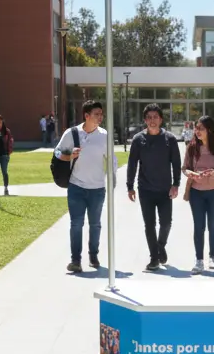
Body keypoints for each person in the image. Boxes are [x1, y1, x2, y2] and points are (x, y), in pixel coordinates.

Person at [55, 99, 114, 274]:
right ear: (86, 116)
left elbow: (111, 160)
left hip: (97, 189)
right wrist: (68, 155)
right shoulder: (71, 134)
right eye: (96, 114)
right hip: (76, 187)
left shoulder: (105, 136)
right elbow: (57, 152)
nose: (100, 117)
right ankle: (75, 260)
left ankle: (93, 255)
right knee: (76, 224)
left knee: (95, 224)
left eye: (101, 114)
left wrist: (112, 180)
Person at [126, 103, 181, 272]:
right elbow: (132, 164)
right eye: (149, 118)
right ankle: (154, 259)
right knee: (149, 225)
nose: (152, 121)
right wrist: (130, 186)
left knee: (166, 224)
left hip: (165, 190)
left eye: (155, 117)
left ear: (161, 119)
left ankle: (160, 246)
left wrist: (176, 184)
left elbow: (176, 164)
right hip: (145, 190)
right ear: (145, 120)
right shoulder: (138, 140)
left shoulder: (169, 139)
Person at [183, 115, 214, 275]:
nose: (197, 131)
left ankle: (212, 256)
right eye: (196, 128)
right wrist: (191, 174)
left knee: (213, 225)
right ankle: (199, 260)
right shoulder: (191, 147)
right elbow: (184, 168)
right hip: (196, 193)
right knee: (198, 226)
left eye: (200, 128)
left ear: (209, 130)